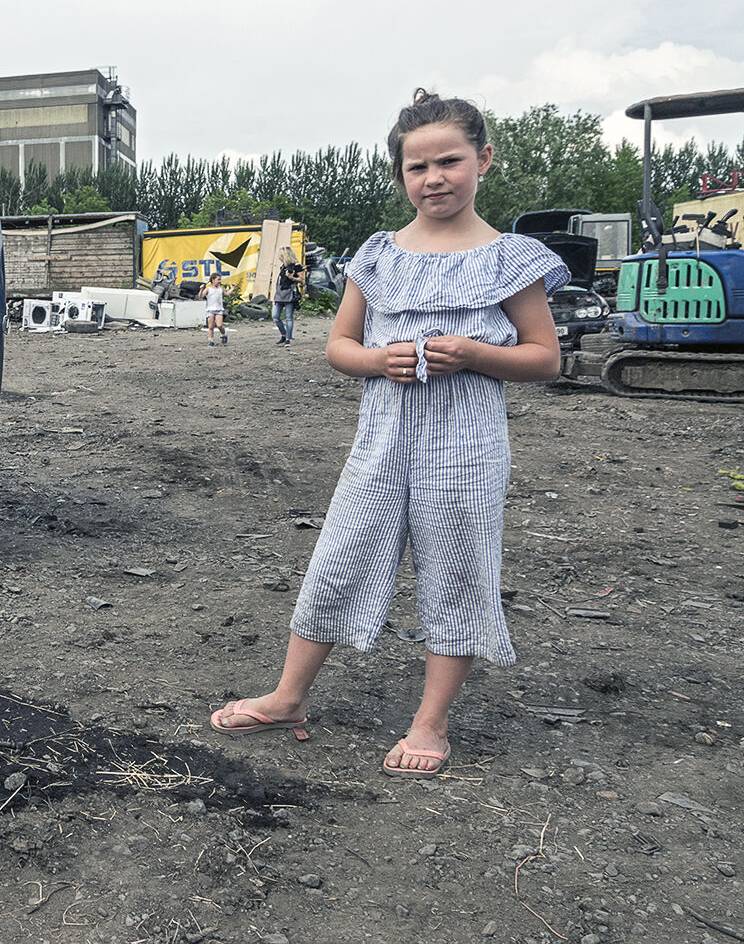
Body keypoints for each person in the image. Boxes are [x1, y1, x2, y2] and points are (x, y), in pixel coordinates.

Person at [210, 89, 567, 777]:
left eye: (450, 161)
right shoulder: (377, 255)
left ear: (483, 159)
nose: (434, 177)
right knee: (339, 556)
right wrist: (377, 359)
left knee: (458, 569)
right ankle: (287, 696)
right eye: (417, 166)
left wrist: (475, 354)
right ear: (400, 174)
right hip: (380, 439)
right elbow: (339, 345)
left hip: (465, 445)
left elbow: (545, 357)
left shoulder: (511, 258)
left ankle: (430, 723)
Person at [272, 247, 304, 346]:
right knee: (275, 316)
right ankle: (284, 334)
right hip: (279, 294)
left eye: (280, 255)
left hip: (290, 293)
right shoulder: (283, 266)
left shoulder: (297, 266)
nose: (279, 257)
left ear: (285, 255)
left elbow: (302, 279)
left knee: (288, 317)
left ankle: (288, 339)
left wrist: (292, 278)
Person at [200, 271, 227, 345]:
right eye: (218, 279)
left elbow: (226, 294)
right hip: (210, 310)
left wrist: (233, 288)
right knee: (211, 327)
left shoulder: (220, 289)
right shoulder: (208, 289)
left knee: (219, 325)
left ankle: (224, 335)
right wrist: (201, 289)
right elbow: (201, 297)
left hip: (219, 310)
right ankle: (211, 341)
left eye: (220, 279)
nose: (220, 281)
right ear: (213, 280)